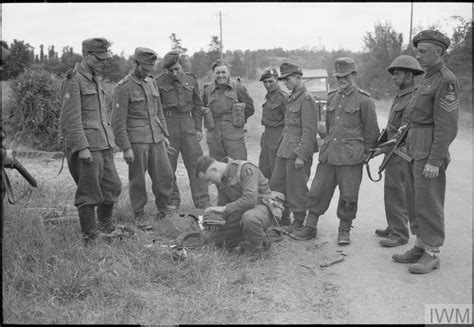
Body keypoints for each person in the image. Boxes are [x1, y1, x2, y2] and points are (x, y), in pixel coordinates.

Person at [392, 30, 459, 274]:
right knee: (414, 199)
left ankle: (432, 253)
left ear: (439, 52)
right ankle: (420, 244)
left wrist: (435, 159)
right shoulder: (427, 79)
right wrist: (405, 128)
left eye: (423, 52)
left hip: (429, 151)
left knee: (429, 202)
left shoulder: (445, 80)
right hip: (414, 146)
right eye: (417, 51)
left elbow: (446, 125)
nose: (418, 56)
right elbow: (420, 115)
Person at [293, 57, 380, 245]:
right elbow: (330, 128)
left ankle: (344, 230)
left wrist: (362, 154)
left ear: (353, 75)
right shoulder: (332, 97)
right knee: (317, 191)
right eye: (338, 76)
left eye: (345, 76)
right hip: (329, 155)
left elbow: (372, 132)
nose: (341, 79)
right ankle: (310, 227)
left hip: (351, 158)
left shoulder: (364, 101)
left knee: (349, 195)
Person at [59, 37, 126, 244]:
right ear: (86, 55)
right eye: (99, 58)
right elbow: (70, 118)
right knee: (88, 192)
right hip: (87, 146)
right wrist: (81, 147)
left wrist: (110, 142)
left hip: (103, 144)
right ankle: (91, 236)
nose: (103, 62)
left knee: (113, 186)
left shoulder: (94, 77)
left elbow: (100, 114)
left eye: (105, 58)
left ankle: (105, 226)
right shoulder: (74, 79)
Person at [112, 47, 174, 227]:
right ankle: (139, 214)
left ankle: (163, 211)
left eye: (150, 69)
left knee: (165, 175)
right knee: (137, 180)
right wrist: (126, 147)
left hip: (156, 138)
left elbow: (158, 111)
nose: (147, 72)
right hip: (137, 142)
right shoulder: (123, 88)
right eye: (144, 68)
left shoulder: (151, 82)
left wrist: (164, 134)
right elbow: (118, 121)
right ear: (134, 64)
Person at [372, 55, 424, 247]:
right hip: (392, 151)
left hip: (401, 153)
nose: (394, 77)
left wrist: (380, 150)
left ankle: (399, 234)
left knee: (397, 192)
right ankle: (394, 225)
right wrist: (380, 144)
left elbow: (403, 132)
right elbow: (391, 127)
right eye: (394, 73)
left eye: (398, 73)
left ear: (410, 75)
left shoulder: (412, 98)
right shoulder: (400, 93)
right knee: (391, 191)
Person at [155, 51, 210, 209]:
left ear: (181, 65)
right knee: (167, 166)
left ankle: (202, 202)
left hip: (188, 124)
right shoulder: (159, 82)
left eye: (177, 69)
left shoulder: (191, 79)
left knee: (196, 163)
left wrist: (198, 127)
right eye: (171, 71)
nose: (174, 73)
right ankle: (172, 201)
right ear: (166, 70)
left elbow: (197, 105)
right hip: (169, 125)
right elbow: (155, 109)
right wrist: (161, 132)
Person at [195, 155, 276, 262]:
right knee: (212, 240)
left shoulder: (245, 169)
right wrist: (215, 219)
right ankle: (250, 237)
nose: (210, 183)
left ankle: (255, 249)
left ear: (214, 170)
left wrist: (224, 209)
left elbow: (250, 200)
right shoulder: (222, 178)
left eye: (209, 179)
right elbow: (223, 203)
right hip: (241, 211)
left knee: (250, 218)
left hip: (261, 207)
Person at [269, 63, 319, 233]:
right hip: (284, 150)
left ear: (299, 77)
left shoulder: (307, 98)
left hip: (297, 152)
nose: (285, 83)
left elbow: (310, 131)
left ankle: (298, 221)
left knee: (296, 188)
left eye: (287, 79)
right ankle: (282, 217)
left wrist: (301, 155)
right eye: (283, 80)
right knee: (276, 183)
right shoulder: (292, 97)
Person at [202, 59, 255, 161]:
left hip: (234, 133)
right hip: (214, 135)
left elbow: (250, 108)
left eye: (223, 72)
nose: (221, 75)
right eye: (218, 73)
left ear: (229, 73)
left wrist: (239, 120)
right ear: (213, 74)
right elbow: (201, 107)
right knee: (218, 166)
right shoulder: (207, 90)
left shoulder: (238, 87)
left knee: (237, 165)